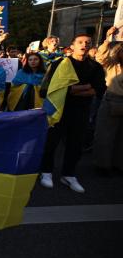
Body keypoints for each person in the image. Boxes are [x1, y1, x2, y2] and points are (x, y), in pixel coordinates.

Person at [38, 34, 106, 193]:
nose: (85, 45)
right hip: (58, 110)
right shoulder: (58, 64)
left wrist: (70, 89)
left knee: (75, 144)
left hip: (81, 111)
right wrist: (83, 88)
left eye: (88, 42)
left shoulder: (95, 67)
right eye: (80, 42)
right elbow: (47, 90)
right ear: (72, 46)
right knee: (52, 142)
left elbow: (98, 89)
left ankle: (68, 174)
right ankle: (46, 171)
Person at [93, 26, 123, 173]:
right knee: (105, 135)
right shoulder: (112, 65)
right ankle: (103, 165)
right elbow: (100, 57)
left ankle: (118, 164)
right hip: (112, 101)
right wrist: (108, 39)